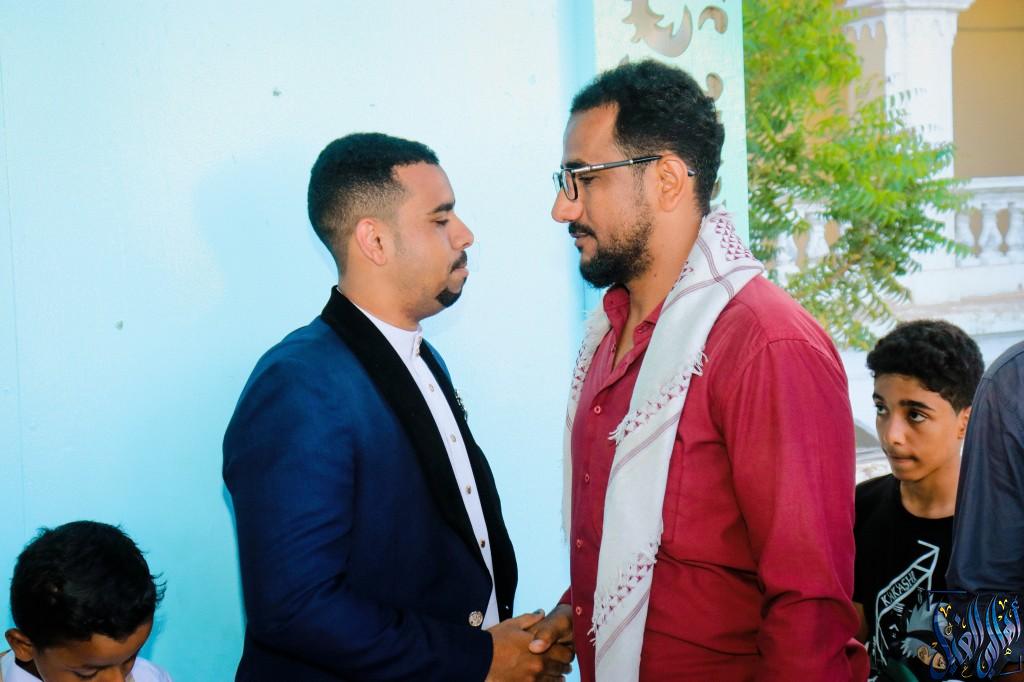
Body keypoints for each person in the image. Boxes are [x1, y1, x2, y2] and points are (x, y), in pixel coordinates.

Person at [528, 59, 868, 681]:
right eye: (563, 180)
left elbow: (809, 609)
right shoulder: (608, 334)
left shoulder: (766, 345)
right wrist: (577, 611)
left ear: (666, 180)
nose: (561, 208)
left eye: (583, 179)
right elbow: (648, 543)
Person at [223, 133, 573, 681]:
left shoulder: (422, 358)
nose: (465, 234)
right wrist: (479, 659)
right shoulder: (298, 384)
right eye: (441, 219)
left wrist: (507, 648)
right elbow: (295, 606)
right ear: (375, 241)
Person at [853, 320, 983, 681]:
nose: (891, 435)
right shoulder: (860, 508)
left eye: (915, 414)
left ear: (965, 420)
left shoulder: (997, 530)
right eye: (882, 409)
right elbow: (847, 636)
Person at [2, 520, 171, 682]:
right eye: (88, 674)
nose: (118, 680)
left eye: (129, 658)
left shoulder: (151, 678)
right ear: (24, 646)